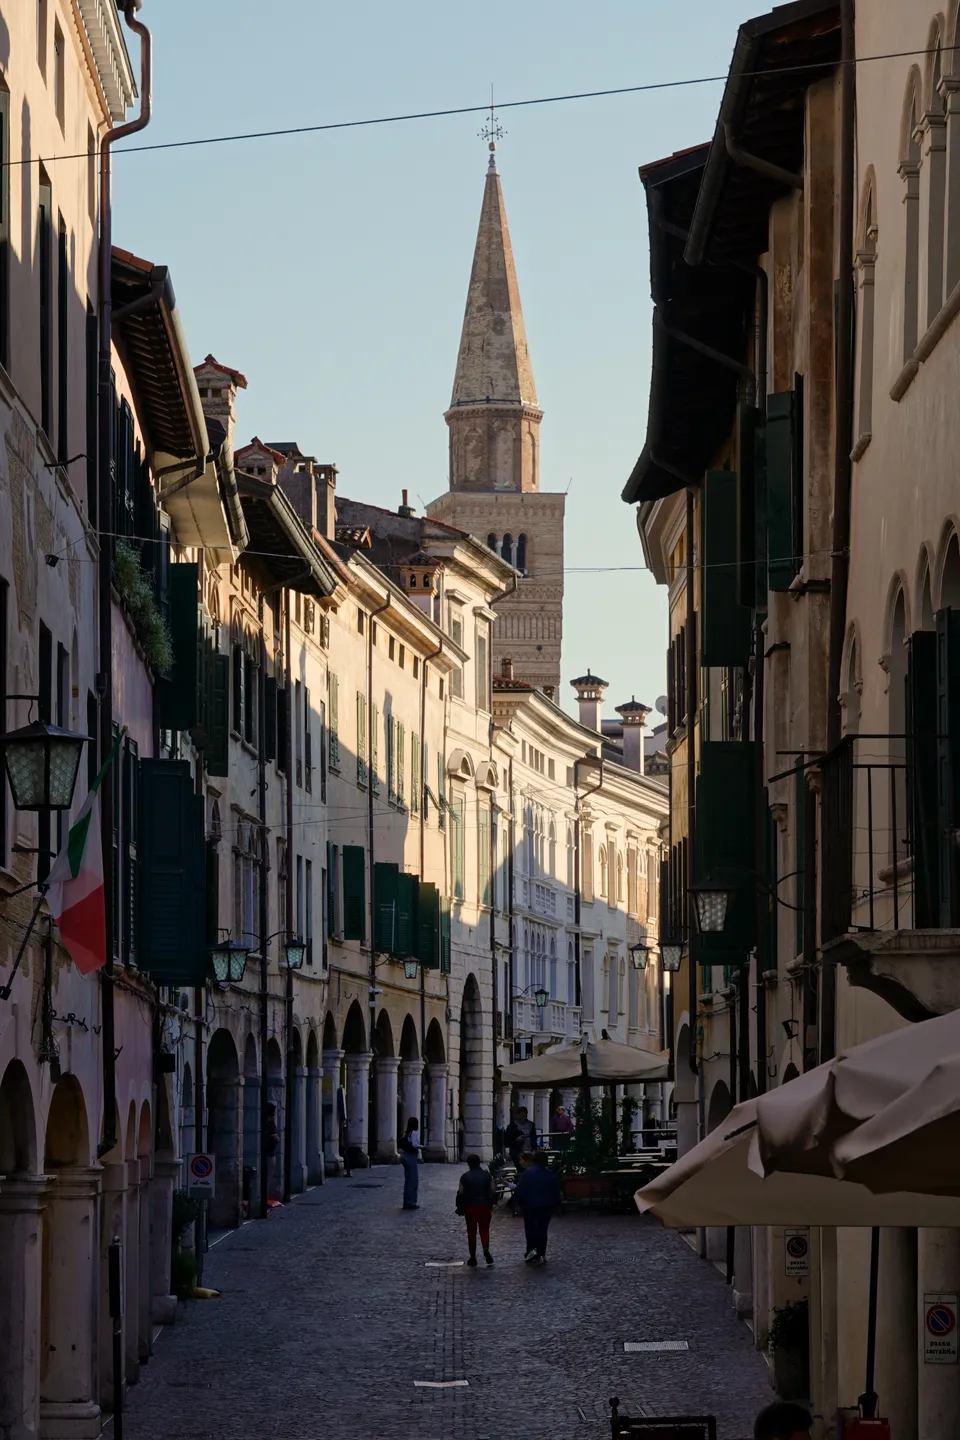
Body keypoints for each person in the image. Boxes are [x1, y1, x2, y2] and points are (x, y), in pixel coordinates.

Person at [515, 1149, 561, 1264]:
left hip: (529, 1205)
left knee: (530, 1229)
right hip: (546, 1205)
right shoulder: (550, 1174)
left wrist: (518, 1203)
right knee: (542, 1230)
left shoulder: (528, 1173)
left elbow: (521, 1190)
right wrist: (557, 1204)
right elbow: (555, 1191)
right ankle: (541, 1253)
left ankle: (531, 1251)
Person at [457, 1153, 495, 1267]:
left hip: (470, 1207)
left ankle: (473, 1257)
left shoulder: (464, 1177)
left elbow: (461, 1192)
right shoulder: (487, 1175)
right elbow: (493, 1189)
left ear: (468, 1164)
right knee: (484, 1230)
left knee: (471, 1232)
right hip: (484, 1206)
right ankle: (485, 1247)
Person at [399, 1116, 421, 1210]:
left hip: (406, 1157)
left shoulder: (407, 1133)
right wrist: (423, 1147)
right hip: (411, 1157)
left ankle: (406, 1202)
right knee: (413, 1180)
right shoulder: (414, 1133)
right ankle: (411, 1202)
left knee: (408, 1181)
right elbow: (414, 1145)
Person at [265, 1102, 281, 1200]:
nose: (275, 1113)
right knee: (268, 1178)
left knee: (267, 1178)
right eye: (274, 1111)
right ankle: (265, 1198)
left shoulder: (267, 1122)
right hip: (269, 1154)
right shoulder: (269, 1123)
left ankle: (265, 1197)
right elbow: (276, 1138)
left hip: (268, 1153)